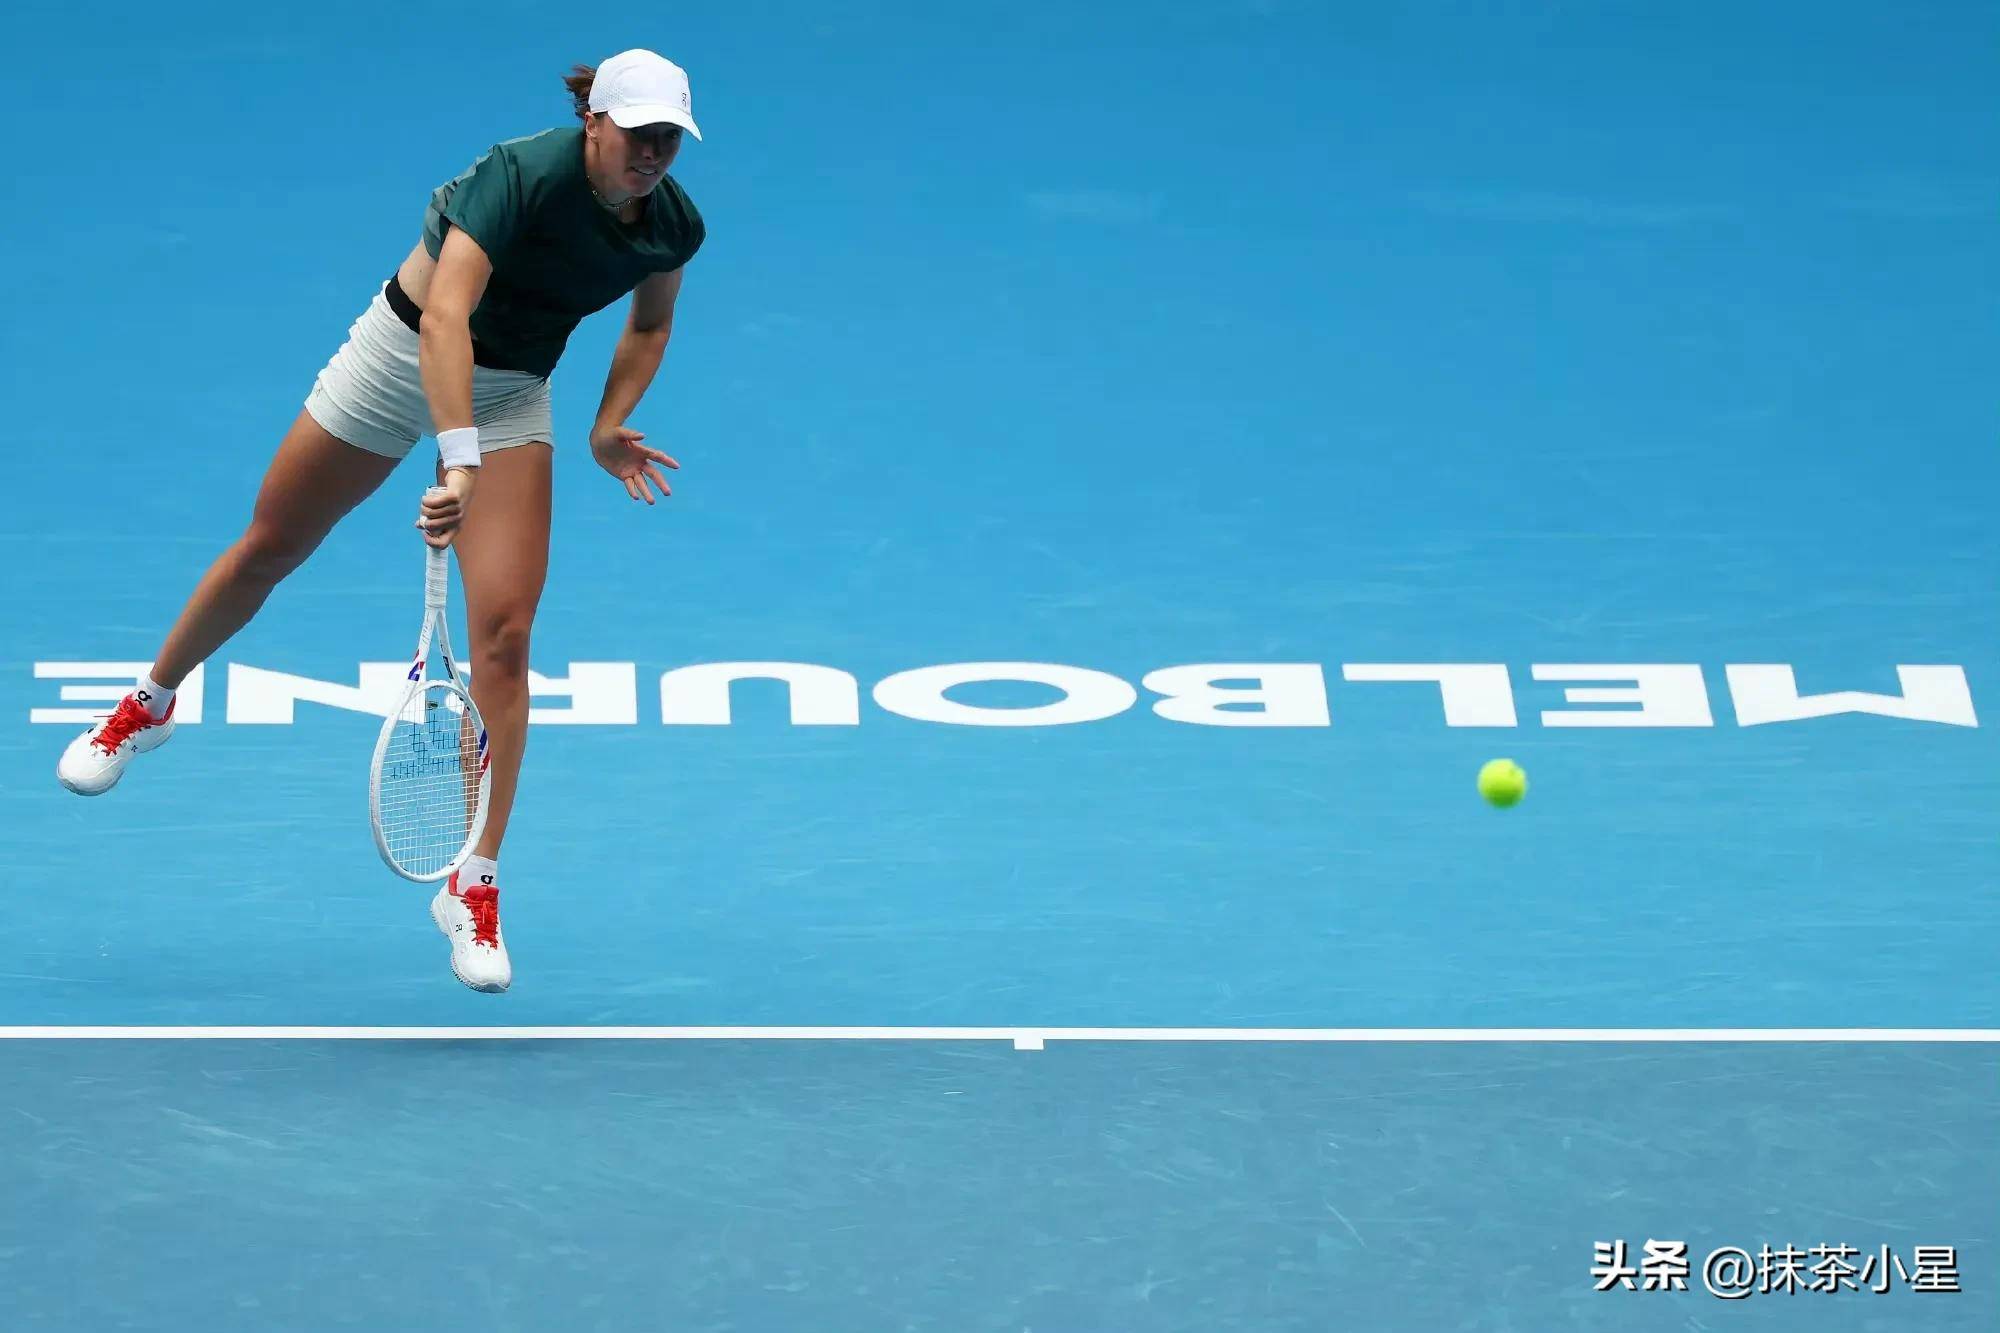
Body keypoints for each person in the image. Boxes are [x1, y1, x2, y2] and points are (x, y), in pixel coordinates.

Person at [55, 48, 706, 995]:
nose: (651, 154)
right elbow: (446, 317)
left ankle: (474, 880)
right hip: (402, 353)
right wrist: (458, 457)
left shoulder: (673, 225)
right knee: (272, 545)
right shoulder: (518, 176)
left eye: (668, 139)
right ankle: (149, 703)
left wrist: (607, 425)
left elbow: (649, 324)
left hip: (513, 390)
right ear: (594, 122)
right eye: (637, 133)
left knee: (507, 637)